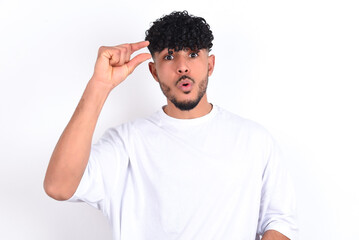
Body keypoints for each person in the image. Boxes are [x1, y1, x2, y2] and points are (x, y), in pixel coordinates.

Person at [44, 11, 298, 240]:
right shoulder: (127, 143)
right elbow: (58, 187)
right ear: (154, 72)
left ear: (210, 65)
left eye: (193, 54)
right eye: (169, 56)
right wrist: (99, 86)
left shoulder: (253, 140)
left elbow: (280, 221)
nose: (182, 66)